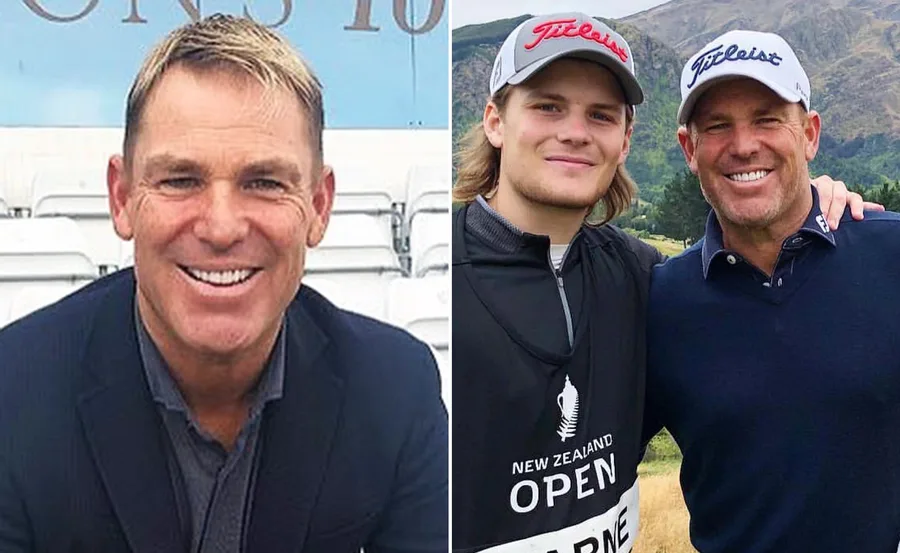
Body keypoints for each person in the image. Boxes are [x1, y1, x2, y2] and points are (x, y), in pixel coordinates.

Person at [0, 14, 447, 553]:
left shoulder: (396, 392)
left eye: (263, 182)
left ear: (318, 206)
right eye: (180, 180)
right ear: (121, 199)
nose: (221, 227)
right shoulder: (13, 396)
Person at [451, 12, 874, 553]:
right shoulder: (433, 279)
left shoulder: (645, 278)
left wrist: (811, 206)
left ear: (626, 140)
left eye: (600, 115)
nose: (575, 132)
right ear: (494, 121)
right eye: (547, 106)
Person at [643, 29, 900, 552]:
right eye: (718, 126)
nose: (743, 145)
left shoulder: (892, 254)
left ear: (809, 134)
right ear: (689, 149)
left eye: (767, 118)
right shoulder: (659, 302)